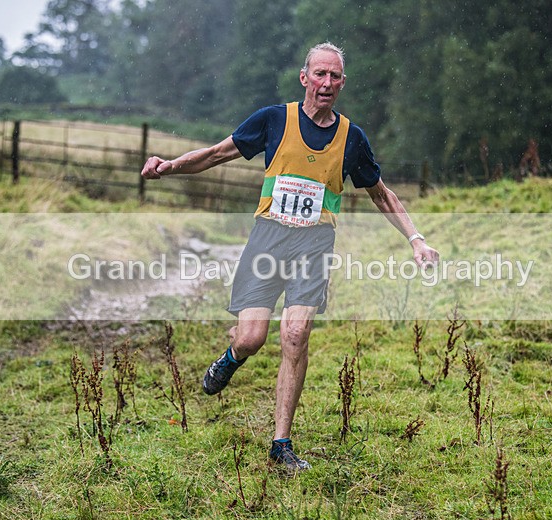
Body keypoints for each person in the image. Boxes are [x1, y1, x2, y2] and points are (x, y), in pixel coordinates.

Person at [141, 42, 439, 474]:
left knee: (295, 335)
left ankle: (281, 444)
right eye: (320, 74)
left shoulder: (352, 138)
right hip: (267, 241)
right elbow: (215, 154)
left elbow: (380, 192)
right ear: (304, 78)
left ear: (342, 84)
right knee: (250, 339)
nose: (327, 84)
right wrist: (169, 166)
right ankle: (230, 357)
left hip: (314, 247)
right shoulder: (273, 120)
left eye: (335, 77)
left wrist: (416, 238)